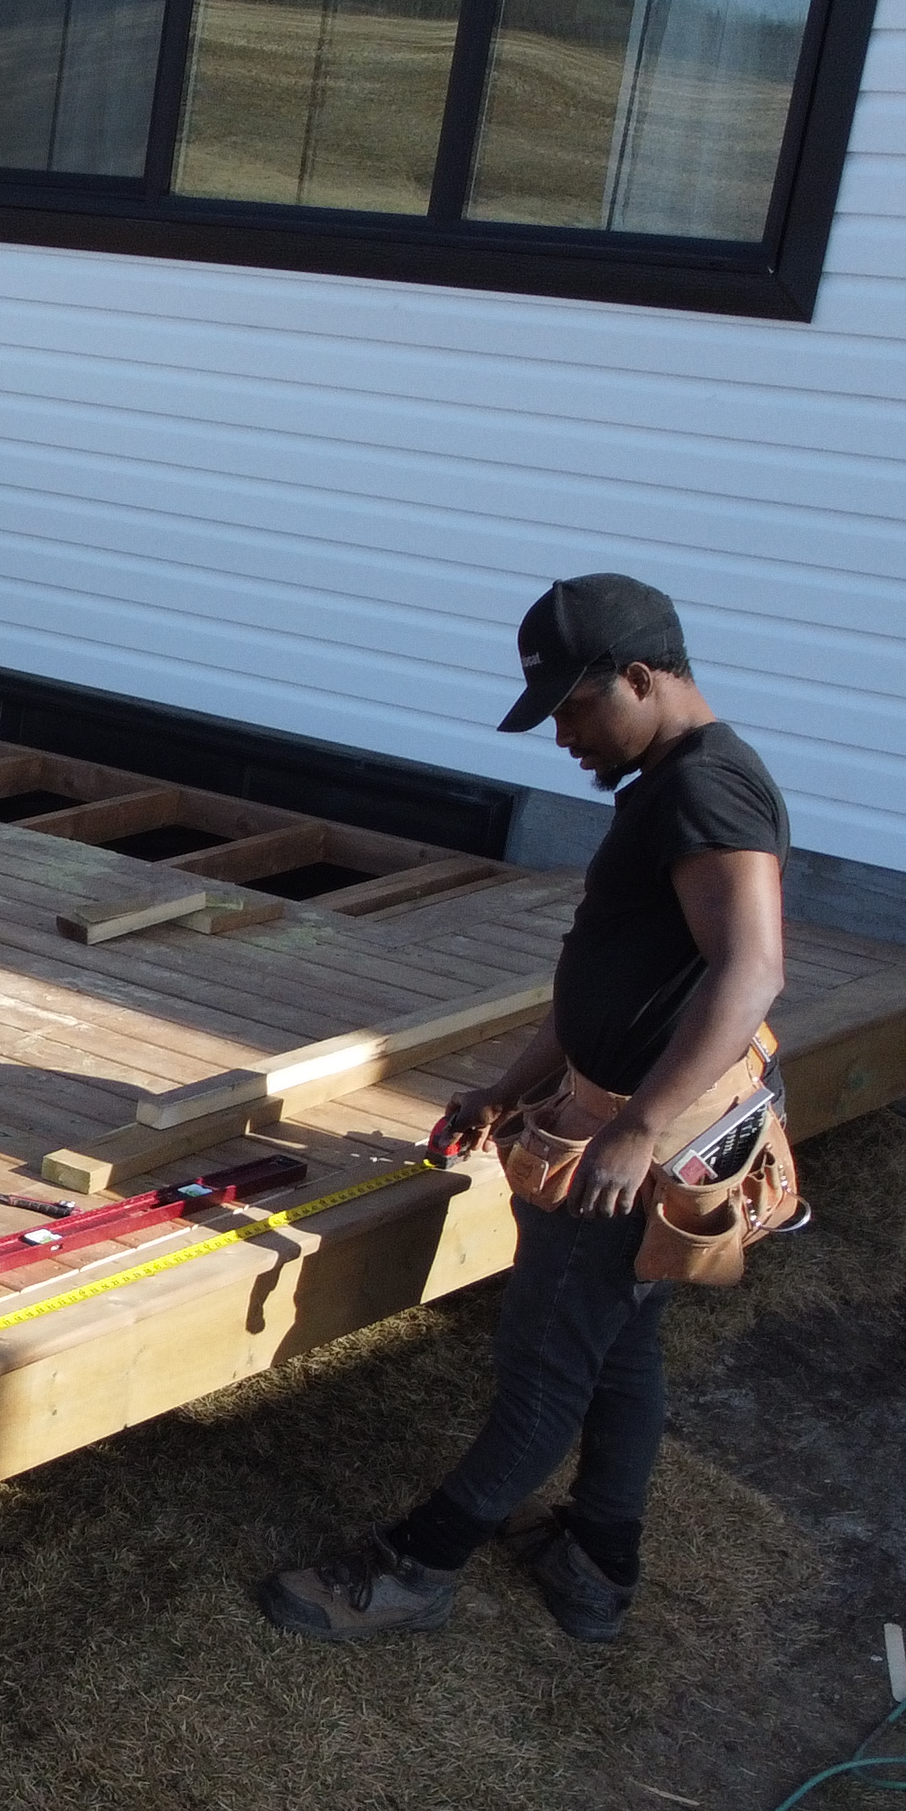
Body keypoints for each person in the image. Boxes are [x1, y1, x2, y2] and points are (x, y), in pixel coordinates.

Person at [261, 573, 788, 1647]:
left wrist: (634, 1129)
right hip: (621, 1111)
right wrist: (511, 1085)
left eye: (573, 708)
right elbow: (622, 973)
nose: (560, 736)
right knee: (617, 1348)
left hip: (638, 1133)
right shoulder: (672, 783)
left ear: (640, 679)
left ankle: (416, 1567)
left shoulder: (704, 790)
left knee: (547, 1362)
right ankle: (597, 1563)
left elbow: (751, 972)